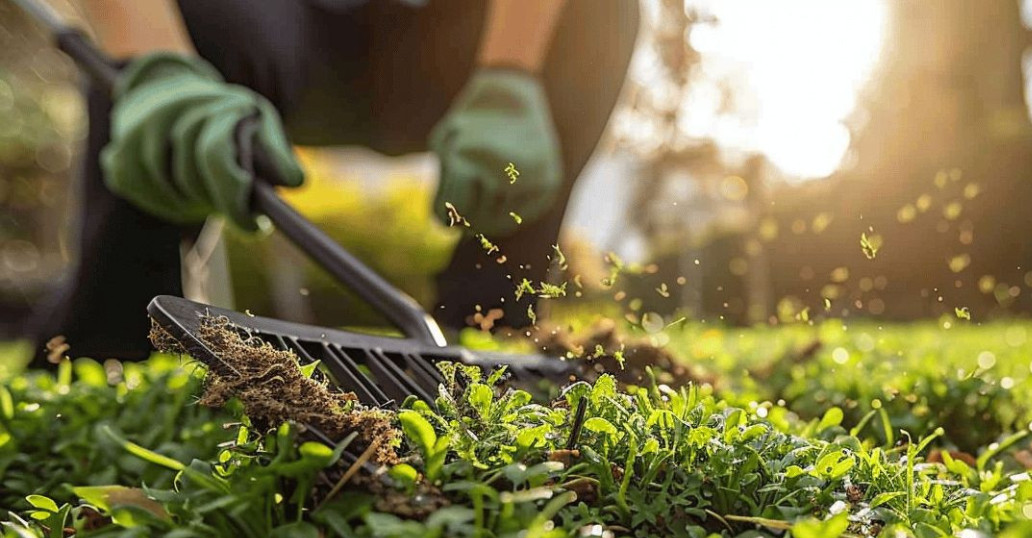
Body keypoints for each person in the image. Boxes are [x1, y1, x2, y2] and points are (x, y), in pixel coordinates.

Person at [25, 0, 639, 365]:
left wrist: (511, 73)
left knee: (596, 12)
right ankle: (106, 345)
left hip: (448, 46)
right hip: (259, 28)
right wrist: (156, 62)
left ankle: (488, 331)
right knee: (181, 38)